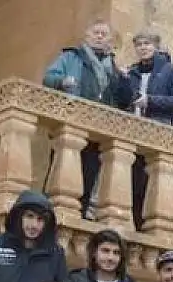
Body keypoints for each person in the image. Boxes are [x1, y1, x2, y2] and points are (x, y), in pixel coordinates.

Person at [42, 20, 130, 218]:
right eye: (95, 32)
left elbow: (124, 101)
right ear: (87, 36)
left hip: (99, 130)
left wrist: (124, 80)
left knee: (90, 172)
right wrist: (62, 81)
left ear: (109, 40)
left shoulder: (113, 67)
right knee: (61, 168)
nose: (99, 36)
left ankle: (81, 213)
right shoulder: (71, 57)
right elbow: (48, 78)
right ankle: (48, 213)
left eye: (104, 34)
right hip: (72, 123)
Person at [126, 31, 173, 230]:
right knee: (133, 184)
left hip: (159, 132)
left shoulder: (172, 71)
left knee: (155, 184)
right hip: (132, 132)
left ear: (156, 47)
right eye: (139, 44)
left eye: (147, 44)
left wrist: (150, 100)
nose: (143, 48)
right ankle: (136, 226)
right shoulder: (132, 72)